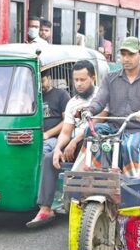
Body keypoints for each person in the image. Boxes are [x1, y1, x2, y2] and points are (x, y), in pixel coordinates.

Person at [26, 59, 97, 228]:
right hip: (74, 144)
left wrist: (74, 141)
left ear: (93, 78)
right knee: (49, 157)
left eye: (83, 80)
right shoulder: (73, 102)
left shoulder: (101, 97)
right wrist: (58, 148)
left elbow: (99, 123)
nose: (78, 84)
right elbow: (65, 131)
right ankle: (45, 208)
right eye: (76, 80)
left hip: (95, 142)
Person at [85, 37, 140, 176]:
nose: (126, 59)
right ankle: (97, 178)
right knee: (93, 133)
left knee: (130, 146)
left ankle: (133, 185)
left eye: (131, 54)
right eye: (123, 54)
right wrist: (88, 110)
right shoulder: (110, 78)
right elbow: (99, 101)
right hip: (114, 127)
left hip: (139, 130)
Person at [41, 69, 71, 154]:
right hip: (38, 138)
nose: (40, 85)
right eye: (38, 82)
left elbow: (67, 121)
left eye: (43, 81)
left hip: (56, 138)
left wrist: (47, 134)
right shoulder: (34, 97)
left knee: (42, 150)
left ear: (49, 78)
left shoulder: (61, 95)